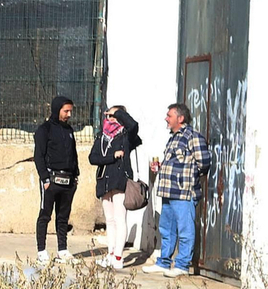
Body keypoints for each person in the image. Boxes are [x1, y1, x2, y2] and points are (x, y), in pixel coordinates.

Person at [146, 103, 211, 277]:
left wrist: (188, 178)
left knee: (185, 229)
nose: (166, 119)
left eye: (169, 115)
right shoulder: (173, 138)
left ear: (180, 118)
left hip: (183, 193)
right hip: (168, 192)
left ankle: (182, 265)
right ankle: (164, 263)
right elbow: (175, 162)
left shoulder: (193, 137)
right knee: (166, 229)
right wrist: (160, 167)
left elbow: (203, 162)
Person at [90, 105, 142, 270]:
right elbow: (93, 157)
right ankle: (111, 254)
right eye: (109, 115)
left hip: (120, 181)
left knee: (120, 219)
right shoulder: (102, 136)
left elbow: (134, 125)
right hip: (104, 181)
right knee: (109, 220)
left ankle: (119, 256)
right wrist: (111, 157)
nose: (110, 118)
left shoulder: (126, 136)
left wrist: (118, 113)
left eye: (114, 116)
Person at [32, 95, 79, 264]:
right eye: (65, 111)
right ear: (57, 109)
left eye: (70, 111)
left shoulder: (69, 130)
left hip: (68, 180)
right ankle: (42, 250)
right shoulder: (44, 130)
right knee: (45, 214)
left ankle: (63, 250)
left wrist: (76, 176)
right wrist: (45, 178)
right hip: (51, 180)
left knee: (63, 216)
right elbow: (39, 156)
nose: (68, 115)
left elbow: (73, 154)